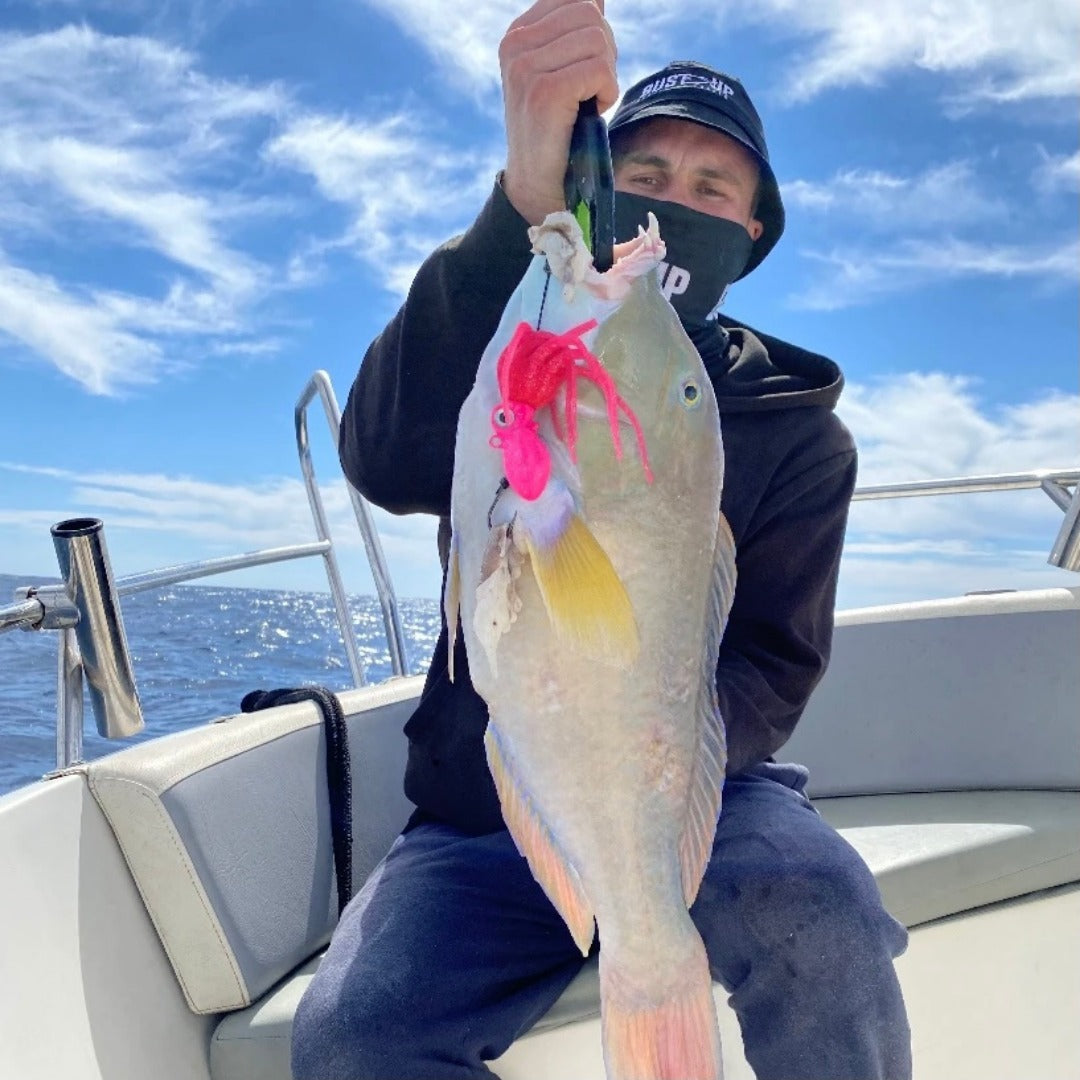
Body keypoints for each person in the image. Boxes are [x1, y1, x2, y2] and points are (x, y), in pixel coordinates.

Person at [292, 1, 912, 1077]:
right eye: (650, 175)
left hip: (699, 791)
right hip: (481, 800)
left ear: (752, 231)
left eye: (713, 189)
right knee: (354, 1035)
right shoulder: (518, 331)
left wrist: (656, 783)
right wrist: (518, 210)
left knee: (832, 920)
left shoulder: (807, 438)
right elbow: (384, 457)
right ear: (601, 191)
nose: (677, 204)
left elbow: (774, 659)